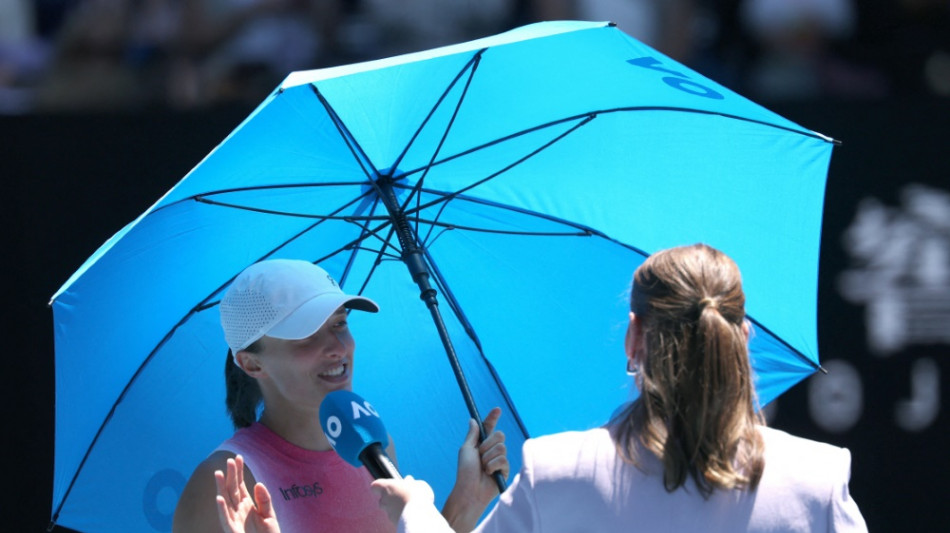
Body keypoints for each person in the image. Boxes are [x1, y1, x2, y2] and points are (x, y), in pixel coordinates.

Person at [371, 243, 868, 532]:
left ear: (633, 334)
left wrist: (417, 510)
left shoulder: (556, 474)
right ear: (742, 337)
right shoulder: (817, 480)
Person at [172, 258, 508, 533]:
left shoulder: (374, 445)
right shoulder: (225, 485)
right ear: (251, 363)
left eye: (339, 324)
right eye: (306, 335)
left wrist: (467, 501)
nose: (337, 347)